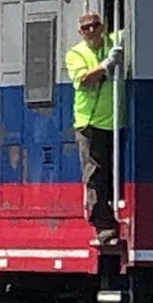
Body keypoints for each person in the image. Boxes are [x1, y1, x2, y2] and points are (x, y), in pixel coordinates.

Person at [64, 12, 124, 245]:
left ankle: (117, 216)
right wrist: (107, 65)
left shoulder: (115, 41)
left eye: (95, 26)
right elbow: (84, 79)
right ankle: (102, 225)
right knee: (95, 174)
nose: (91, 31)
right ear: (80, 32)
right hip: (89, 122)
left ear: (103, 27)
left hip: (116, 121)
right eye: (86, 28)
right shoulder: (75, 54)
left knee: (114, 173)